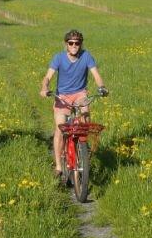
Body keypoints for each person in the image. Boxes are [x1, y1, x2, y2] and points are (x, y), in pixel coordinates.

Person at [39, 29, 107, 178]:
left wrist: (101, 87)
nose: (74, 45)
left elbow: (96, 75)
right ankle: (58, 167)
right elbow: (48, 77)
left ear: (81, 44)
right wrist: (45, 88)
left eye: (77, 43)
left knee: (85, 117)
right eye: (71, 43)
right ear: (66, 44)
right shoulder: (58, 58)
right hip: (62, 95)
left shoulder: (86, 56)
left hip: (80, 93)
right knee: (60, 129)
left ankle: (82, 147)